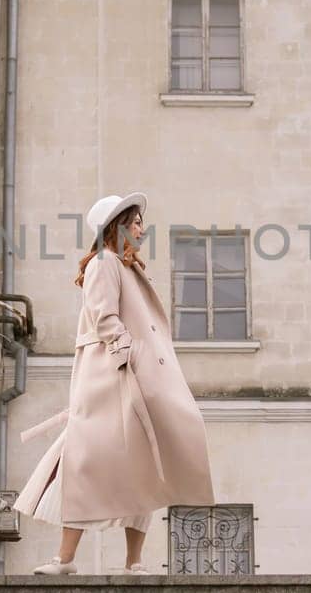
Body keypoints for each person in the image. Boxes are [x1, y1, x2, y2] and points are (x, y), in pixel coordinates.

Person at [13, 191, 215, 573]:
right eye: (135, 221)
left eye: (140, 221)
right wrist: (126, 354)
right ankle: (66, 558)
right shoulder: (104, 263)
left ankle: (133, 562)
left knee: (143, 461)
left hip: (136, 374)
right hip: (110, 374)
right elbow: (103, 315)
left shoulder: (129, 267)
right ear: (117, 227)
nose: (142, 228)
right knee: (86, 458)